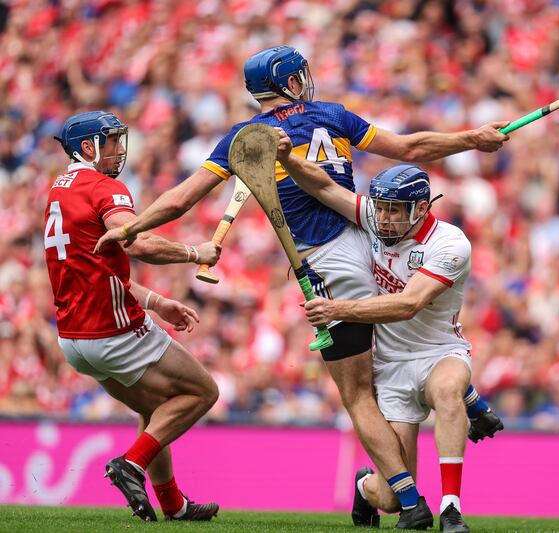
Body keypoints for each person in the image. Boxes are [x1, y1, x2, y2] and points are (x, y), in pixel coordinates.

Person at [94, 46, 504, 526]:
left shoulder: (244, 139)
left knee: (358, 396)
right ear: (291, 82)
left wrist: (130, 229)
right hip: (371, 234)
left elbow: (182, 199)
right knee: (405, 333)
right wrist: (470, 139)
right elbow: (411, 149)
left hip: (330, 264)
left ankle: (410, 503)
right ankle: (463, 407)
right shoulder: (333, 114)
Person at [278, 139, 475, 532]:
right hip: (391, 367)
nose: (383, 219)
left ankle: (451, 508)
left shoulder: (451, 245)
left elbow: (408, 304)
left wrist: (336, 309)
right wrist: (286, 159)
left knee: (450, 391)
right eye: (380, 208)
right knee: (389, 498)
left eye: (394, 211)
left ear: (421, 209)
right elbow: (323, 187)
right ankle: (363, 484)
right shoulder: (374, 216)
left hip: (440, 352)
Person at [47, 111, 221, 522]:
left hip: (73, 340)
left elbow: (97, 269)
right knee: (202, 392)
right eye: (110, 142)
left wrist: (157, 303)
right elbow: (136, 242)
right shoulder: (103, 187)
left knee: (156, 408)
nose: (119, 149)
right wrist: (194, 253)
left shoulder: (58, 189)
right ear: (87, 148)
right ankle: (130, 465)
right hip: (113, 331)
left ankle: (174, 505)